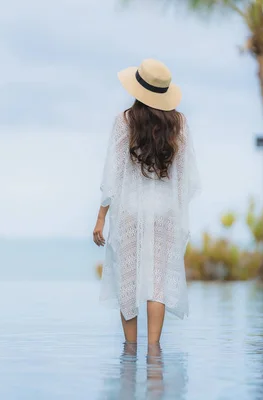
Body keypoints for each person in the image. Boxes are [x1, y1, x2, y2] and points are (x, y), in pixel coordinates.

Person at [93, 59, 201, 345]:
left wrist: (101, 216)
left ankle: (131, 350)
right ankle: (154, 351)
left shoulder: (124, 121)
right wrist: (177, 213)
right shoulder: (179, 124)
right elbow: (186, 178)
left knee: (128, 280)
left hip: (130, 208)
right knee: (158, 285)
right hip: (165, 210)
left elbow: (112, 173)